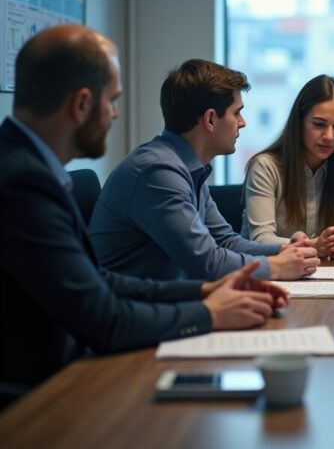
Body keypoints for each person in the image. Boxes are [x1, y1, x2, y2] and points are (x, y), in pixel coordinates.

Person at [0, 26, 289, 399]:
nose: (116, 114)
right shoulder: (23, 183)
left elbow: (99, 280)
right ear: (82, 104)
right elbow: (104, 319)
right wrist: (210, 313)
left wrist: (205, 291)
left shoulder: (28, 167)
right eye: (113, 100)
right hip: (44, 394)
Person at [89, 59, 319, 281]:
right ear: (210, 119)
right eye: (236, 112)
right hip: (133, 312)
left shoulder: (186, 167)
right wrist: (276, 267)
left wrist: (286, 249)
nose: (242, 122)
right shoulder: (157, 171)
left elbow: (225, 241)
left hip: (164, 303)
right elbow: (208, 263)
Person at [243, 75, 334, 258]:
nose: (329, 136)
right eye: (319, 124)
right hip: (268, 274)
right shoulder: (265, 166)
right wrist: (312, 246)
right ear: (299, 122)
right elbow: (261, 238)